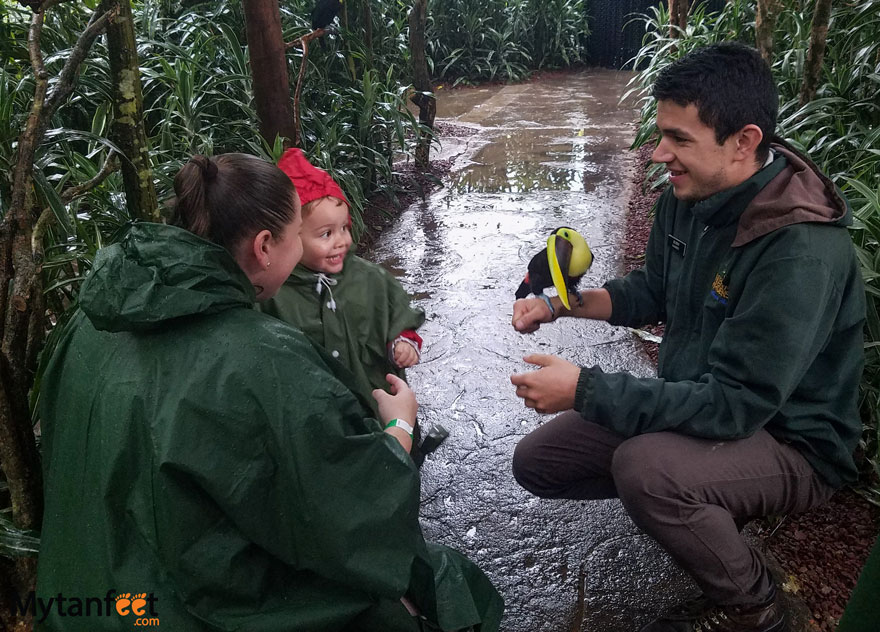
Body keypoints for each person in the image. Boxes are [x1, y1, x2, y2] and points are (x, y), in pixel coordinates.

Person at [36, 153, 503, 631]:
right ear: (264, 247)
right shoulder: (260, 361)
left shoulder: (87, 322)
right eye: (297, 234)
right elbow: (351, 519)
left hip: (77, 596)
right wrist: (399, 428)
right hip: (183, 610)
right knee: (445, 588)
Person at [509, 43, 865, 632]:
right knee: (539, 463)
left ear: (744, 141)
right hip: (705, 401)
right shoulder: (692, 193)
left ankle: (760, 608)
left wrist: (586, 390)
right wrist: (558, 305)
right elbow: (653, 289)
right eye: (660, 133)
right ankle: (704, 504)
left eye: (678, 138)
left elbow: (735, 405)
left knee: (648, 469)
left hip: (790, 439)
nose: (659, 152)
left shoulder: (800, 251)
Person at [257, 148, 425, 409]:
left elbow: (397, 315)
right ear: (291, 237)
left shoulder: (370, 279)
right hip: (314, 416)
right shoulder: (273, 290)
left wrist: (403, 343)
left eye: (344, 228)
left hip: (377, 406)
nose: (341, 241)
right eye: (326, 234)